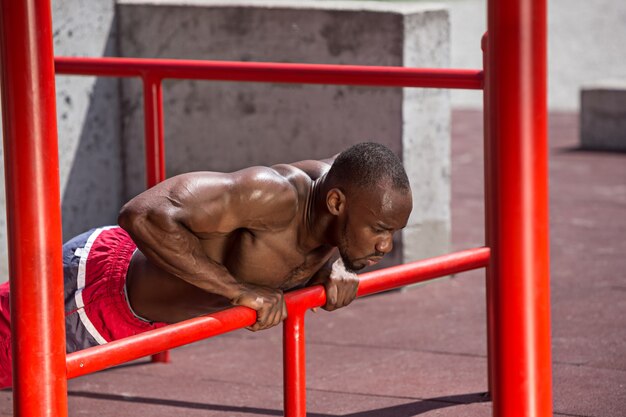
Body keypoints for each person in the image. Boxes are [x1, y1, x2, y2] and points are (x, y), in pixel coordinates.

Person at [0, 142, 412, 387]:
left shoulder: (345, 189)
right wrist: (237, 291)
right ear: (336, 203)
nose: (385, 244)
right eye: (378, 229)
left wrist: (334, 264)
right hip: (93, 295)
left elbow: (356, 167)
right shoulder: (271, 196)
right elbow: (142, 213)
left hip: (135, 317)